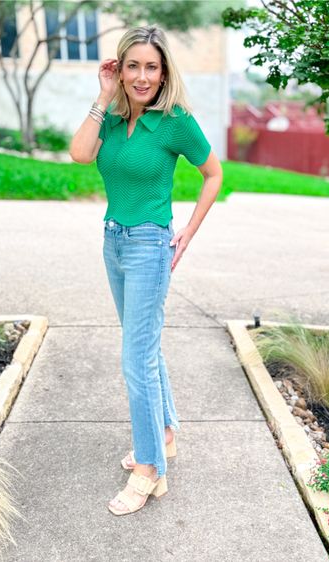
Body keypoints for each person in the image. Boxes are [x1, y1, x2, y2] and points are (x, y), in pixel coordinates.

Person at [69, 25, 223, 516]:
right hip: (113, 241)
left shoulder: (175, 121)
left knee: (136, 360)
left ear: (164, 72)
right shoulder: (113, 118)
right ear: (120, 68)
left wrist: (188, 232)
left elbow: (214, 174)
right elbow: (78, 153)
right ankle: (165, 434)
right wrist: (102, 95)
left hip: (150, 247)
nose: (141, 76)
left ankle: (151, 470)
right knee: (145, 348)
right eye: (132, 66)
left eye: (151, 67)